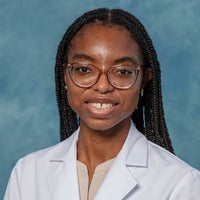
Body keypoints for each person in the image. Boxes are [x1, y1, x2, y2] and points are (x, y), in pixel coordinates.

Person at [4, 8, 200, 200]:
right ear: (65, 75)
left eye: (123, 72)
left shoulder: (180, 183)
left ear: (144, 79)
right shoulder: (28, 173)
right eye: (84, 69)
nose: (103, 86)